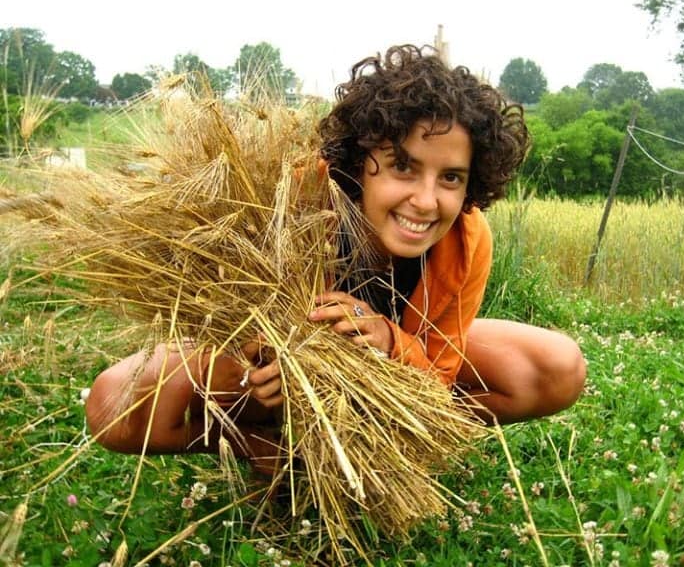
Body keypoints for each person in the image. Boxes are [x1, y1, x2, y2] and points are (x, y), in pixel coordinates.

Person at [85, 45, 585, 472]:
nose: (427, 201)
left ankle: (397, 443)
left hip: (392, 376)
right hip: (270, 378)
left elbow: (440, 372)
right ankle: (273, 451)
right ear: (358, 163)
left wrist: (389, 339)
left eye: (450, 177)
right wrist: (258, 367)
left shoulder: (467, 238)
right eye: (402, 167)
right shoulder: (292, 198)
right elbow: (227, 322)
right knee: (113, 405)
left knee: (557, 367)